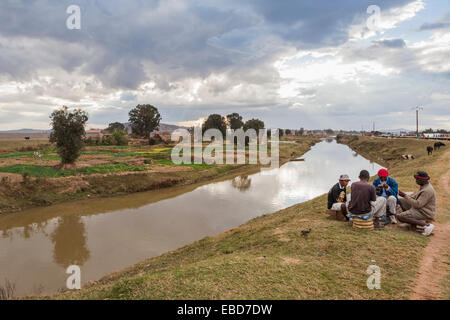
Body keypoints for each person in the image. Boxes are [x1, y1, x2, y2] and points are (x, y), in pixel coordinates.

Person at [397, 171, 436, 236]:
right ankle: (411, 223)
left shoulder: (427, 190)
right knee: (402, 200)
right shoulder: (424, 186)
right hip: (421, 208)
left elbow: (417, 205)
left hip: (424, 212)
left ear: (422, 180)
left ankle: (427, 225)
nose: (416, 181)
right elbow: (415, 198)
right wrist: (404, 196)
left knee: (400, 217)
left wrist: (404, 195)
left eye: (417, 179)